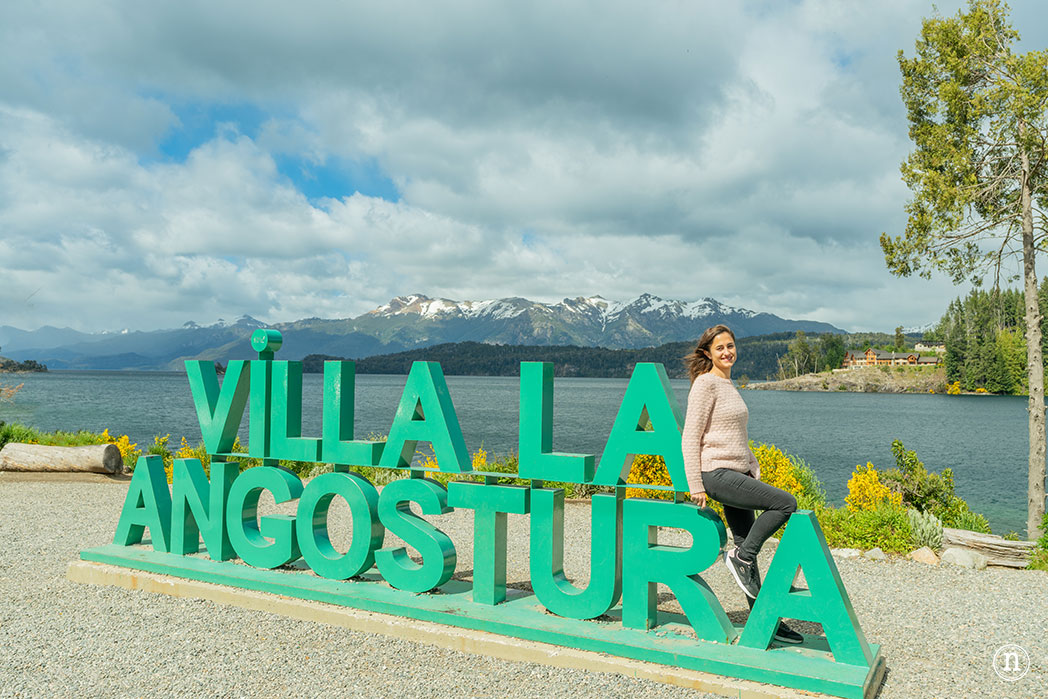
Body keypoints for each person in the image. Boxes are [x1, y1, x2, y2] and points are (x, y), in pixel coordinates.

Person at [681, 324, 802, 644]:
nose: (727, 352)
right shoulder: (705, 384)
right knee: (785, 503)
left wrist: (750, 462)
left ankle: (766, 622)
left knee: (747, 541)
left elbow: (730, 433)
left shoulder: (727, 383)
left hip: (736, 474)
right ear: (707, 353)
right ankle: (742, 557)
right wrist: (695, 484)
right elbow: (691, 436)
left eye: (730, 346)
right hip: (715, 474)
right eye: (719, 348)